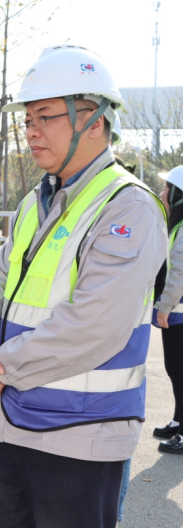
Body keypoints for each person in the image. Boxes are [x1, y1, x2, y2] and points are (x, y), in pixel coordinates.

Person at [0, 45, 167, 528]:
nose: (31, 131)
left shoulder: (127, 206)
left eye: (46, 117)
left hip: (82, 435)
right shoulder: (36, 201)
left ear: (94, 120)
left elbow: (95, 324)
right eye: (27, 119)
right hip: (15, 421)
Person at [153, 165, 183, 455]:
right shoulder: (177, 223)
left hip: (178, 312)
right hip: (177, 311)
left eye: (166, 188)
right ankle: (178, 420)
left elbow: (179, 273)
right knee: (175, 369)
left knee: (179, 370)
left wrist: (164, 306)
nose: (162, 192)